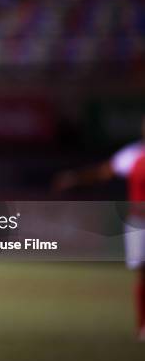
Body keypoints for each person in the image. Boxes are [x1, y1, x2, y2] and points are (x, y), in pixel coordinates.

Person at [54, 117, 145, 341]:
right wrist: (75, 178)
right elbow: (104, 171)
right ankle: (143, 326)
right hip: (139, 223)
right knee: (142, 275)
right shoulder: (134, 154)